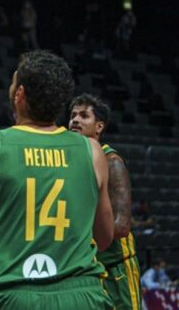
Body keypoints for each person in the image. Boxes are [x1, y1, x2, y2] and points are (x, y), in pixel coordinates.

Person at [0, 51, 114, 309]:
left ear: (19, 95)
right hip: (82, 296)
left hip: (12, 296)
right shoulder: (92, 152)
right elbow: (104, 237)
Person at [69, 93, 142, 310]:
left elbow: (121, 226)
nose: (75, 120)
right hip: (88, 268)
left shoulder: (112, 162)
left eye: (84, 116)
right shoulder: (73, 162)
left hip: (116, 267)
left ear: (99, 127)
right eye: (72, 115)